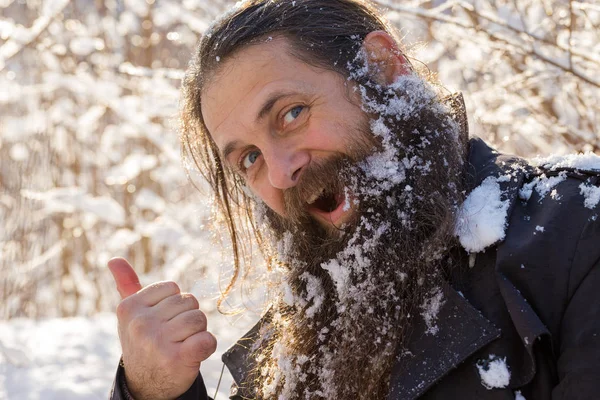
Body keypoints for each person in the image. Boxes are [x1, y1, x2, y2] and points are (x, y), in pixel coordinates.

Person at [109, 0, 600, 399]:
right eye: (250, 158)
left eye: (291, 113)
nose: (281, 172)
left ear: (382, 68)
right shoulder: (297, 344)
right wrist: (155, 392)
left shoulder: (576, 231)